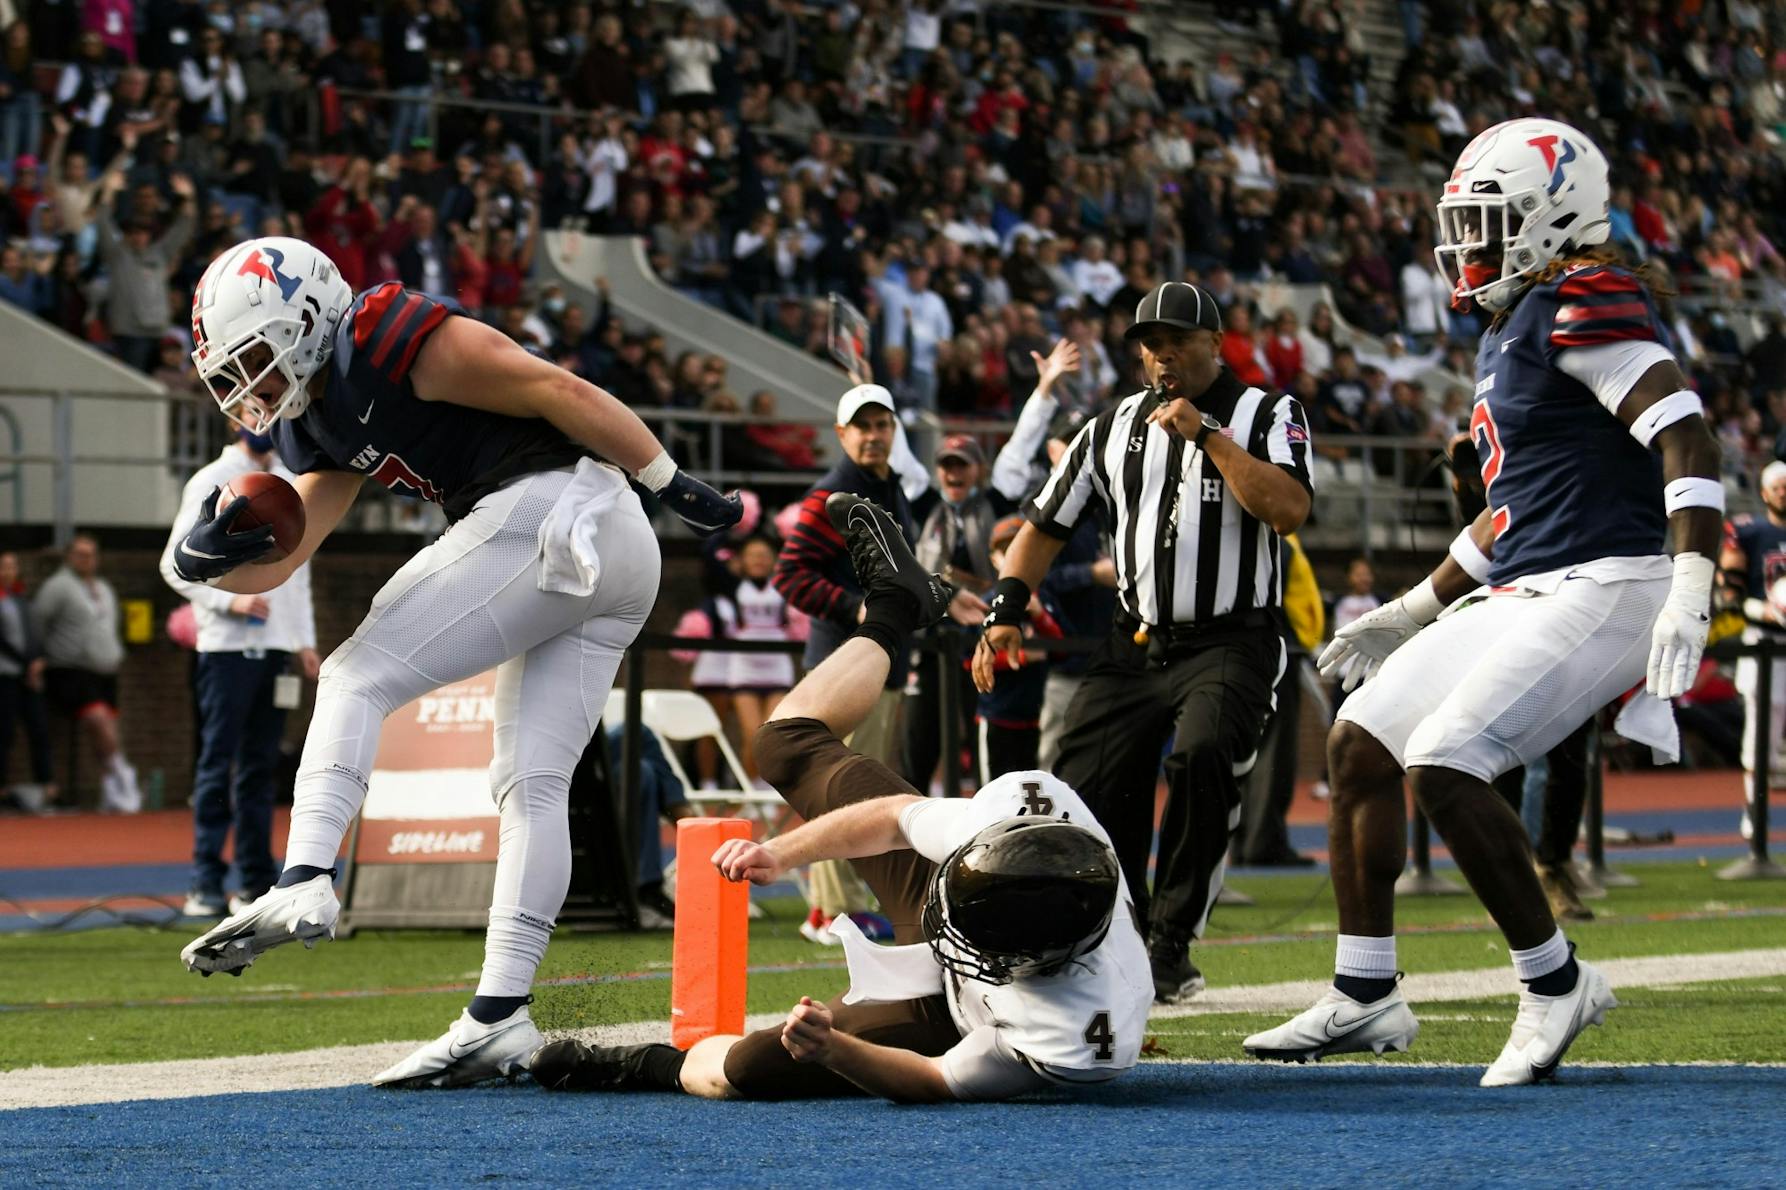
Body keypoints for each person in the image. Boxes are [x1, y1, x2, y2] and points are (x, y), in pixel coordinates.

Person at [173, 235, 740, 1089]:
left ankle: (307, 875)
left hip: (561, 506)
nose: (247, 388)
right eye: (232, 372)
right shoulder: (314, 419)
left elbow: (556, 386)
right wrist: (199, 558)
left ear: (308, 315)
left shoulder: (383, 332)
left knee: (355, 672)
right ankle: (500, 1016)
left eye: (254, 357)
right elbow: (289, 555)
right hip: (601, 550)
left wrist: (664, 476)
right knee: (532, 784)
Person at [1246, 119, 1722, 1087]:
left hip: (1613, 578)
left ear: (1554, 219)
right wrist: (1412, 606)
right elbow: (1511, 513)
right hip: (1527, 580)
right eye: (1463, 223)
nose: (1468, 243)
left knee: (1447, 759)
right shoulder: (1512, 322)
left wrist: (1692, 582)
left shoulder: (1583, 295)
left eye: (1489, 221)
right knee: (1358, 745)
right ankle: (1365, 988)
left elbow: (1686, 435)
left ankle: (1554, 982)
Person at [531, 493, 1151, 1102]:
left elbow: (936, 1080)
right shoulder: (1023, 808)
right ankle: (894, 607)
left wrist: (834, 1049)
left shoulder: (1078, 1035)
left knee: (742, 1071)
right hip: (960, 892)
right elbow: (892, 818)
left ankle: (648, 1067)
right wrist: (784, 853)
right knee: (783, 743)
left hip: (951, 1012)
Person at [975, 281, 1315, 1004]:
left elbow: (1288, 509)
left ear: (1214, 345)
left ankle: (1171, 939)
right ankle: (1115, 929)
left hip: (1232, 638)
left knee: (1201, 757)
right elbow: (1044, 524)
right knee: (1081, 782)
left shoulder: (1266, 413)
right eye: (1150, 346)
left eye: (1178, 344)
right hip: (1134, 639)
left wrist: (1208, 436)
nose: (1162, 358)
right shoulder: (1109, 429)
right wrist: (1006, 605)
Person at [772, 383, 925, 938]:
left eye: (883, 424)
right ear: (841, 434)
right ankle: (832, 910)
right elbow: (788, 575)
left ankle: (840, 904)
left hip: (872, 661)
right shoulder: (832, 494)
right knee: (845, 787)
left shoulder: (886, 487)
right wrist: (853, 608)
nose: (873, 434)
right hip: (844, 665)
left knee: (861, 785)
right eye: (862, 426)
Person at [159, 428, 320, 918]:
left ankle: (254, 881)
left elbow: (299, 571)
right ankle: (204, 882)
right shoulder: (213, 479)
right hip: (226, 649)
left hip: (272, 649)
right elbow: (174, 564)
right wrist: (232, 602)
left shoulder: (286, 479)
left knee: (259, 767)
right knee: (217, 764)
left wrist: (303, 641)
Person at [34, 533, 142, 813]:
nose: (87, 560)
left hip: (105, 669)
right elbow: (38, 623)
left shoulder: (104, 587)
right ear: (70, 556)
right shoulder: (57, 587)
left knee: (107, 726)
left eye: (92, 554)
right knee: (98, 719)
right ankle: (122, 773)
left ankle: (109, 788)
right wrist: (38, 659)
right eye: (81, 554)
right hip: (71, 669)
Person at [1719, 459, 1786, 843]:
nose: (1783, 492)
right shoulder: (1751, 532)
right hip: (1764, 641)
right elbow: (1728, 595)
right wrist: (1763, 609)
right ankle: (1754, 812)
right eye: (1777, 486)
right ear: (1764, 492)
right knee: (1761, 734)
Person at [0, 551, 55, 813]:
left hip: (29, 675)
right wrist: (26, 664)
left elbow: (34, 634)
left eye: (12, 566)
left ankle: (46, 786)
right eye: (4, 567)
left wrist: (38, 660)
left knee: (39, 728)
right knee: (4, 732)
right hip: (7, 675)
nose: (8, 571)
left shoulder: (21, 599)